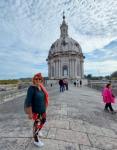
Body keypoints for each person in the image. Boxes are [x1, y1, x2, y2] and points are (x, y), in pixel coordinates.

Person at [24, 73, 49, 147]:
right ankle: (36, 140)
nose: (38, 80)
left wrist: (45, 107)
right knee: (37, 124)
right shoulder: (31, 88)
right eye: (36, 79)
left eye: (39, 79)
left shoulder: (41, 87)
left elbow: (44, 97)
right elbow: (28, 101)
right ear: (33, 80)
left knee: (43, 120)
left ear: (41, 80)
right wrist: (30, 113)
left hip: (42, 109)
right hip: (36, 110)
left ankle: (39, 131)